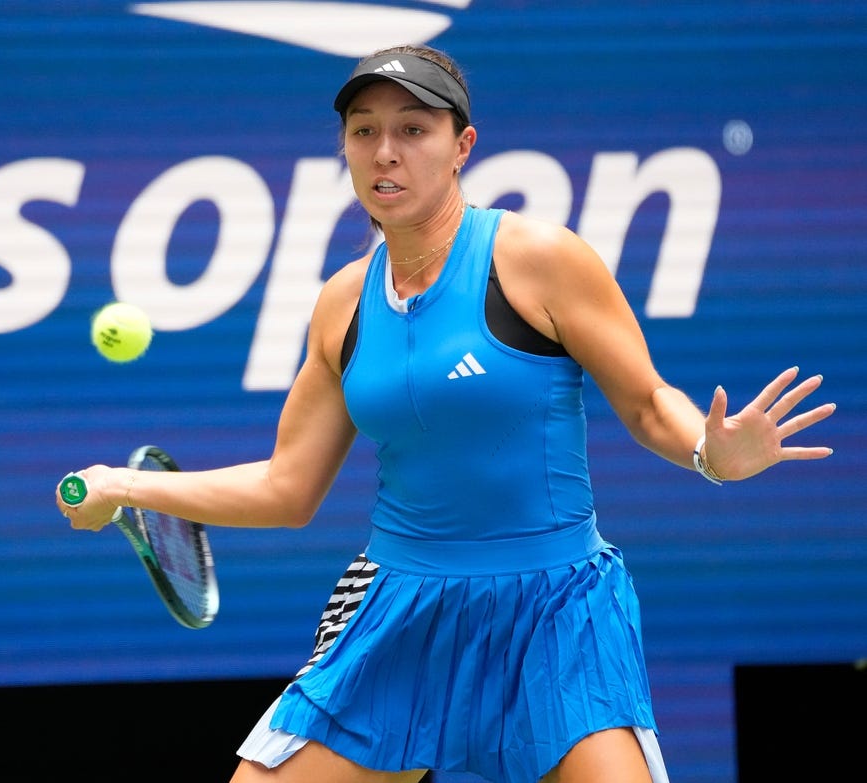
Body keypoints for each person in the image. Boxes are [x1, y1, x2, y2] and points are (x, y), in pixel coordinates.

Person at [56, 44, 835, 783]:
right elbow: (288, 487)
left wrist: (709, 449)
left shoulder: (538, 259)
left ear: (462, 145)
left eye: (412, 130)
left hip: (557, 611)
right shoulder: (340, 306)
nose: (385, 151)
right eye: (364, 132)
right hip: (403, 606)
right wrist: (125, 487)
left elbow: (647, 400)